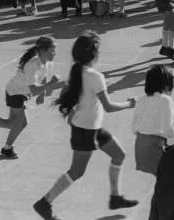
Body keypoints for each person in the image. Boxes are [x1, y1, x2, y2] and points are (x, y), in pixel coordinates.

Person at [34, 32, 138, 219]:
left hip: (91, 128)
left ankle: (115, 197)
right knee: (76, 172)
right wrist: (129, 104)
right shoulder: (95, 76)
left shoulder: (76, 71)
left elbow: (67, 93)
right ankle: (44, 203)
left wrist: (73, 114)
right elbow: (108, 106)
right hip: (86, 131)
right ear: (94, 54)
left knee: (119, 154)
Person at [0, 37, 59, 158]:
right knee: (21, 123)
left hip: (19, 92)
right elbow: (34, 89)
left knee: (11, 123)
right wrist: (49, 86)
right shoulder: (32, 65)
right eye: (52, 50)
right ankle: (7, 148)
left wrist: (42, 94)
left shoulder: (46, 62)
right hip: (15, 93)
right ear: (43, 50)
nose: (54, 53)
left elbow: (43, 77)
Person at [132, 65, 174, 176]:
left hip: (140, 147)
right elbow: (168, 131)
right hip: (154, 146)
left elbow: (134, 128)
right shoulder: (166, 100)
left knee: (162, 179)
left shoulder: (142, 99)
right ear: (167, 84)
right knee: (170, 178)